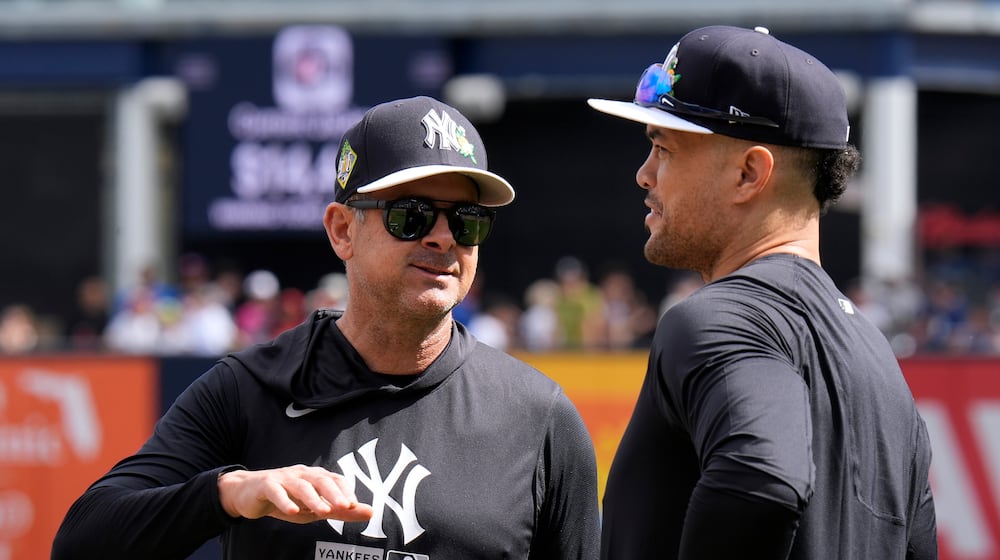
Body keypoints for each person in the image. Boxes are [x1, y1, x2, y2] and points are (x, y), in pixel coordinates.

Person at [52, 96, 600, 560]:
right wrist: (228, 493)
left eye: (467, 220)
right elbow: (82, 540)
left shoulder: (540, 417)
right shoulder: (250, 389)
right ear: (342, 231)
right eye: (410, 214)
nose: (442, 238)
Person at [587, 26, 937, 559]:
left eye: (665, 149)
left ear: (749, 173)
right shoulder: (882, 367)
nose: (644, 174)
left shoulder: (719, 318)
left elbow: (763, 480)